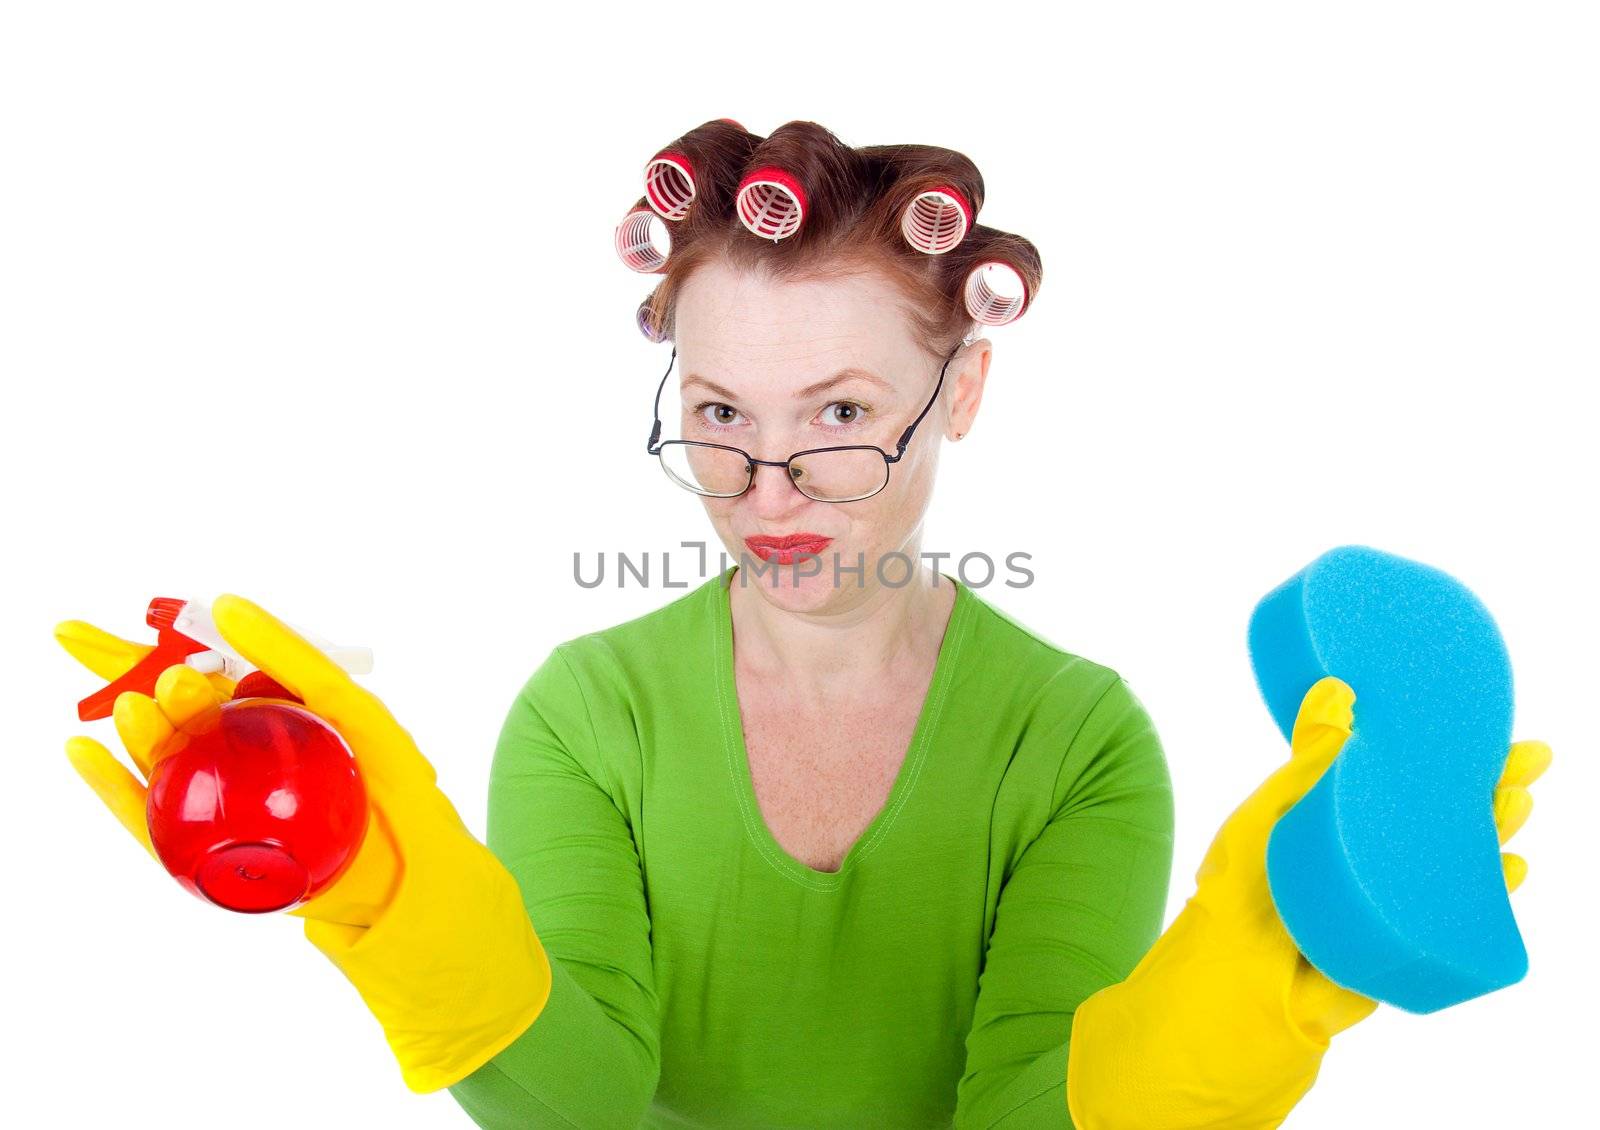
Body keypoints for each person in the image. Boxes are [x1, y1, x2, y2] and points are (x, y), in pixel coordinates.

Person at [58, 119, 1549, 1129]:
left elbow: (1026, 1118)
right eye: (719, 416)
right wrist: (396, 897)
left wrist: (1236, 995)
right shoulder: (589, 714)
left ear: (959, 393)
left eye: (841, 414)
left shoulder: (1078, 740)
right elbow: (580, 1108)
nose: (767, 488)